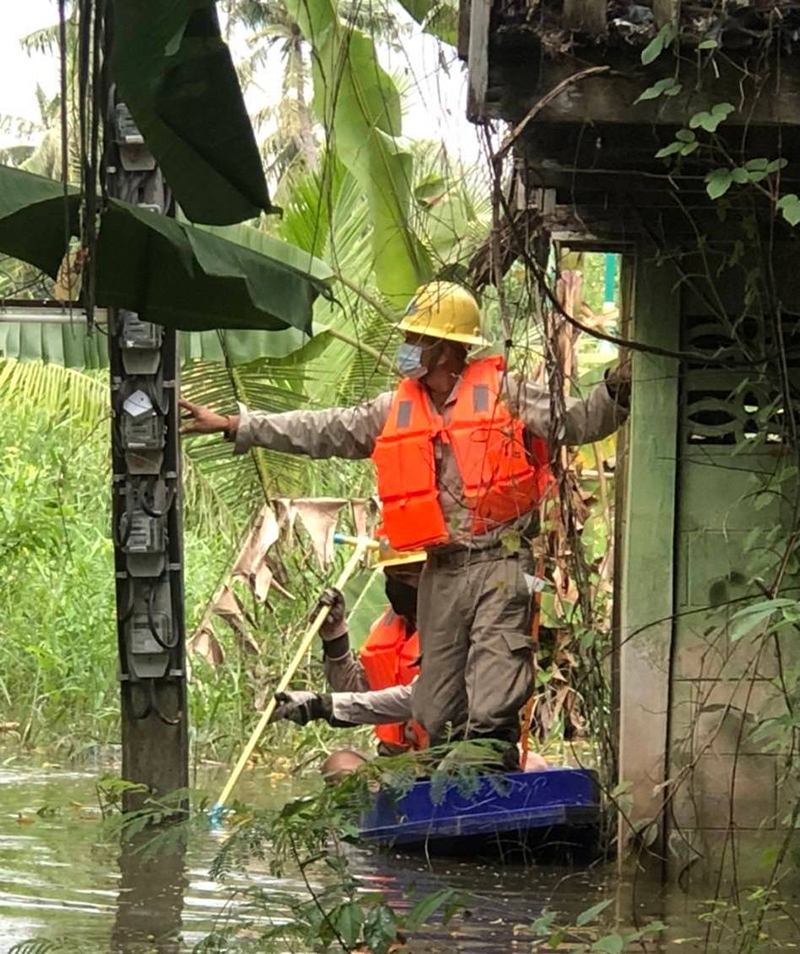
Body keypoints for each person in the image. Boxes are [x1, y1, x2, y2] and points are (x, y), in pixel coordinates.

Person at [181, 281, 630, 769]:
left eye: (419, 338)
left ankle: (487, 782)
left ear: (448, 347)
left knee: (493, 694)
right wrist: (236, 425)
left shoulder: (506, 392)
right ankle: (442, 782)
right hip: (441, 568)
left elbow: (577, 423)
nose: (409, 349)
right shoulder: (394, 408)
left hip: (501, 562)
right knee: (436, 705)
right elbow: (324, 429)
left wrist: (619, 386)